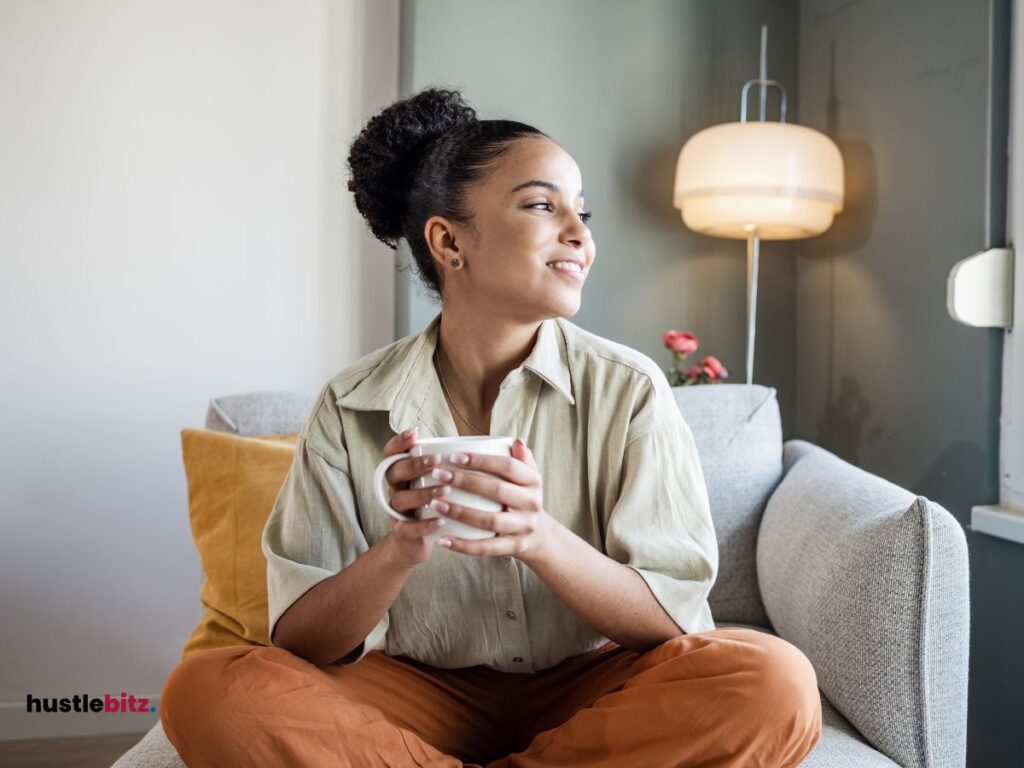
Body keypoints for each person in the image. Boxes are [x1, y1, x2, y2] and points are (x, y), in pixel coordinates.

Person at [159, 87, 822, 767]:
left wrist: (539, 537)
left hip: (593, 687)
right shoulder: (349, 404)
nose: (580, 234)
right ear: (448, 241)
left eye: (582, 211)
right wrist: (400, 548)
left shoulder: (629, 389)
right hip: (413, 689)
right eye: (543, 205)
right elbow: (300, 642)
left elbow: (671, 619)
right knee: (209, 690)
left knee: (774, 682)